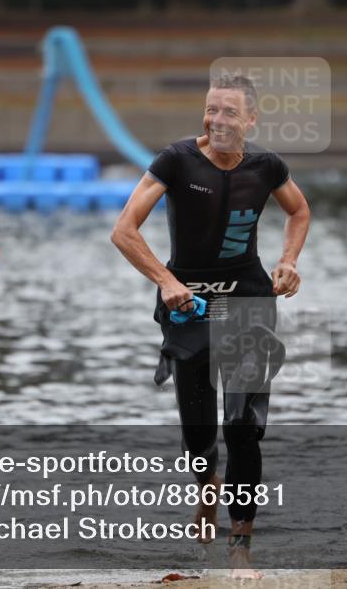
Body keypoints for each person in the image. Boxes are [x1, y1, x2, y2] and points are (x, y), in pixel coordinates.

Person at [111, 73, 310, 579]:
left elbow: (299, 210)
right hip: (190, 307)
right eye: (211, 110)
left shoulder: (267, 167)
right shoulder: (175, 161)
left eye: (228, 112)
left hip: (246, 300)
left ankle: (240, 545)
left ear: (251, 119)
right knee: (199, 436)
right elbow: (124, 230)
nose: (217, 120)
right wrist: (165, 280)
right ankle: (207, 492)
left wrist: (288, 261)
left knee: (244, 427)